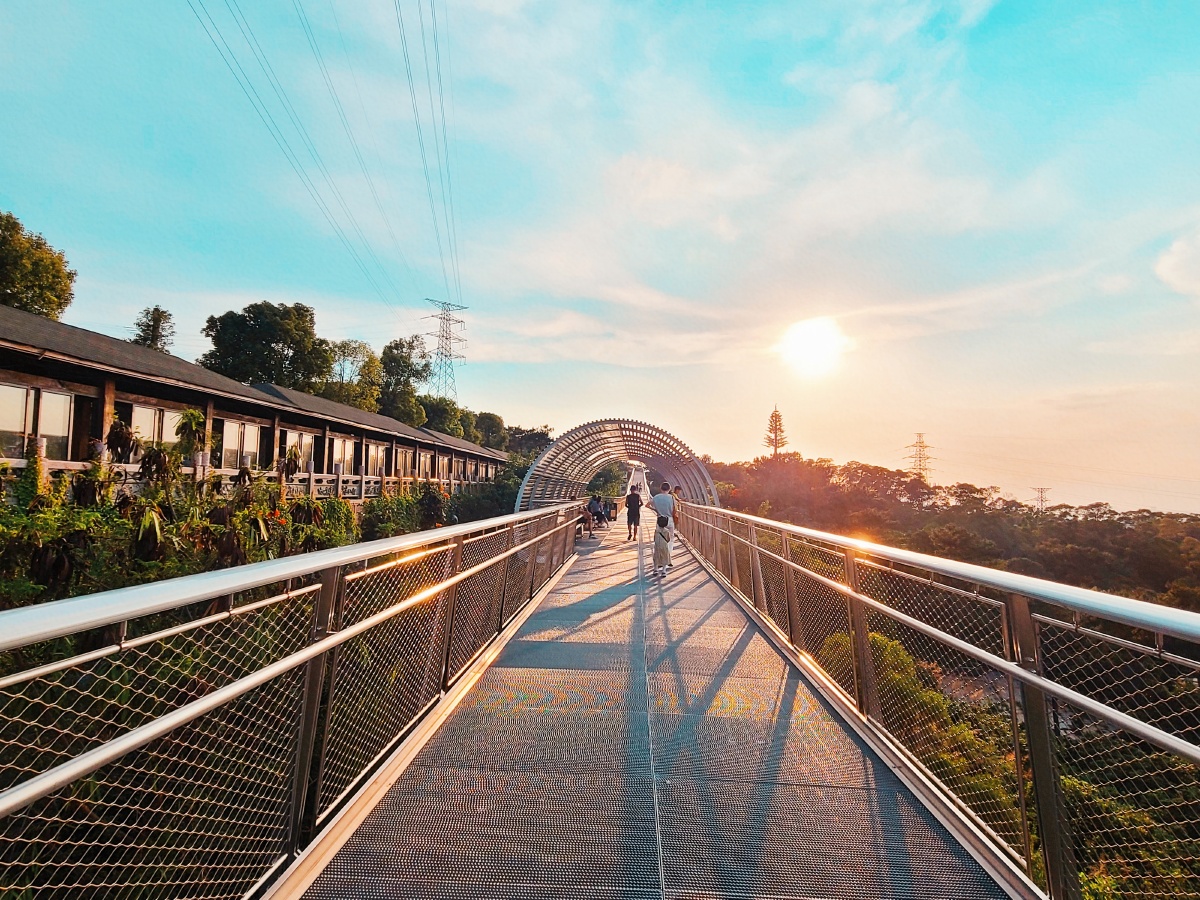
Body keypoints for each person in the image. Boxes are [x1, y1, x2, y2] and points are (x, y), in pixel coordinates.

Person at [650, 482, 676, 568]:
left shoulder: (656, 497)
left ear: (661, 488)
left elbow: (647, 505)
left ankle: (661, 560)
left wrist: (656, 510)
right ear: (669, 489)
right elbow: (675, 510)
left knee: (660, 540)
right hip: (669, 520)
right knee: (670, 539)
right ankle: (667, 558)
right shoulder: (671, 497)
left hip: (660, 520)